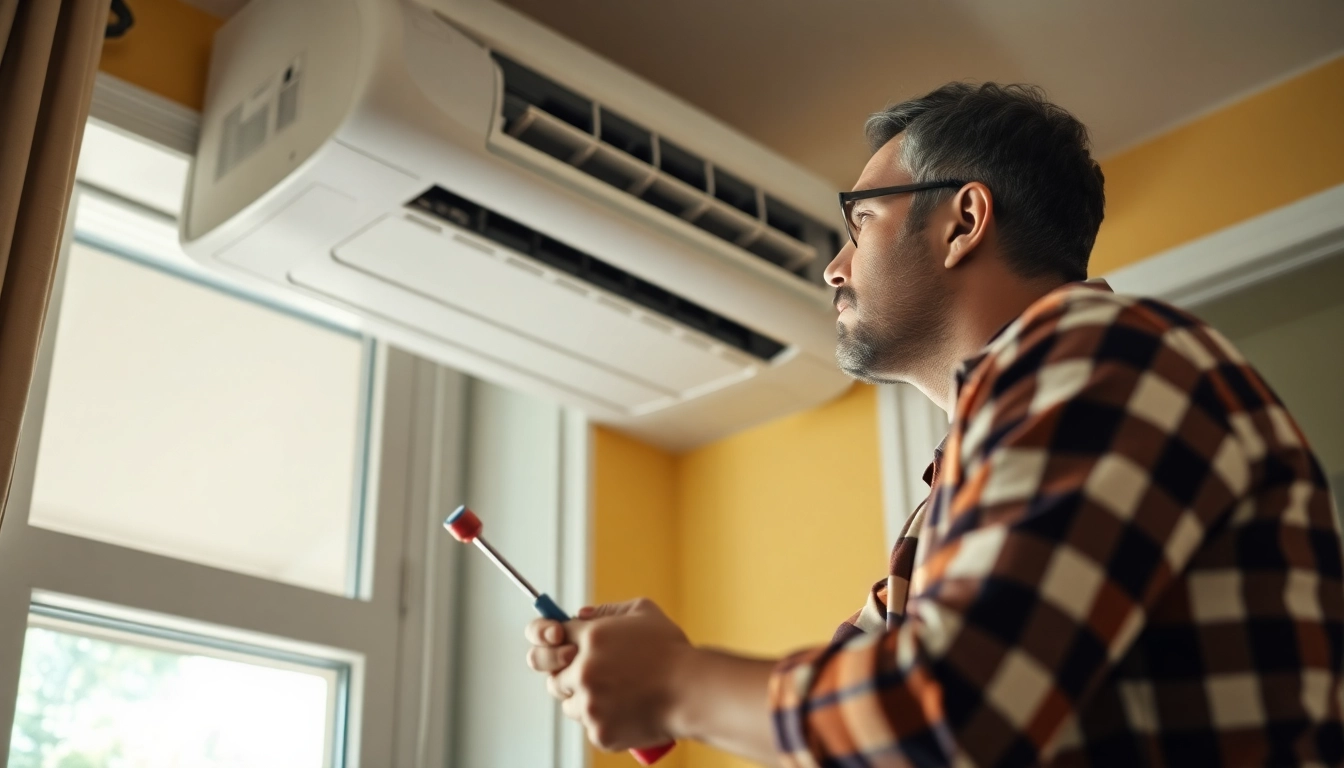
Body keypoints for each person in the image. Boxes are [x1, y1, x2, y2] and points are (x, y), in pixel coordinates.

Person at [525, 82, 1344, 766]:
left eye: (859, 224)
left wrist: (676, 681)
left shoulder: (1104, 354)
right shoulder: (959, 491)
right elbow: (867, 710)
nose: (833, 266)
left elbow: (948, 708)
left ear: (962, 221)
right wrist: (655, 670)